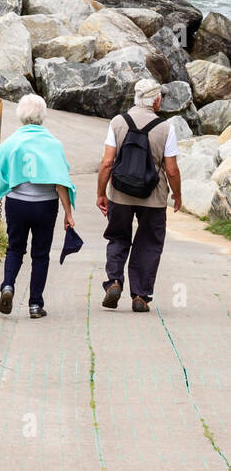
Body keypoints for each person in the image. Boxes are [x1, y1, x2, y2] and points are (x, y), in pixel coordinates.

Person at [0, 94, 76, 319]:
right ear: (43, 116)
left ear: (20, 115)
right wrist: (68, 213)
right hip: (45, 206)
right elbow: (61, 182)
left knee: (15, 248)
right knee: (40, 254)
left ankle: (8, 285)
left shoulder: (11, 142)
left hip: (17, 203)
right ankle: (35, 305)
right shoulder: (53, 144)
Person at [97, 80, 181, 313]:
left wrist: (101, 193)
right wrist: (177, 195)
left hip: (120, 194)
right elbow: (171, 169)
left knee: (118, 238)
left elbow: (106, 163)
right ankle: (140, 296)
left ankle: (114, 281)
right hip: (153, 197)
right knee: (148, 243)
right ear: (155, 100)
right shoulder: (166, 128)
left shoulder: (117, 122)